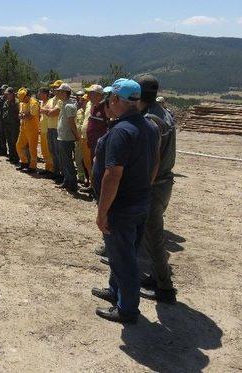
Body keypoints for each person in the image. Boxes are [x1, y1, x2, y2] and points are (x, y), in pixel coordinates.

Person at [91, 78, 160, 324]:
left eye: (111, 98)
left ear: (118, 100)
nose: (109, 102)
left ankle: (127, 309)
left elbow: (113, 175)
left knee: (125, 259)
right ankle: (115, 291)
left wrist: (102, 212)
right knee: (122, 253)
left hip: (121, 207)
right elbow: (155, 165)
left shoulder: (121, 131)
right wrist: (144, 189)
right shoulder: (150, 126)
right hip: (140, 201)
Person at [135, 74, 178, 304]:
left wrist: (142, 185)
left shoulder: (151, 120)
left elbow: (151, 160)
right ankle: (156, 276)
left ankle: (165, 288)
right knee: (152, 236)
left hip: (154, 185)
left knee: (154, 238)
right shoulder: (164, 114)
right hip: (164, 183)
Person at [54, 83, 80, 193]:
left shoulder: (69, 105)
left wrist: (77, 136)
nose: (57, 93)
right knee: (64, 161)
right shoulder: (64, 103)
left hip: (66, 138)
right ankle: (67, 181)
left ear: (65, 92)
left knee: (68, 161)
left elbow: (71, 123)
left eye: (59, 91)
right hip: (62, 136)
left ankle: (72, 184)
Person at [41, 80, 64, 183]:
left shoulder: (61, 100)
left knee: (58, 152)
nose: (54, 89)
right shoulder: (51, 100)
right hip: (50, 128)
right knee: (52, 151)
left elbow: (52, 113)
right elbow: (44, 110)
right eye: (53, 88)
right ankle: (55, 172)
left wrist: (47, 111)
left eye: (56, 88)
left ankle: (61, 174)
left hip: (57, 128)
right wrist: (48, 111)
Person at [16, 87, 40, 172]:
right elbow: (21, 114)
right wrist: (21, 115)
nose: (22, 101)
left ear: (27, 96)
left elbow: (31, 116)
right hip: (23, 128)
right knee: (18, 146)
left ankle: (32, 166)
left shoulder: (34, 103)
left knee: (32, 149)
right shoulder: (22, 103)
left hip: (33, 129)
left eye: (23, 99)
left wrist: (23, 116)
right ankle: (24, 162)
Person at [37, 87, 54, 176]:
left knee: (48, 150)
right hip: (43, 130)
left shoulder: (49, 102)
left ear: (45, 94)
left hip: (48, 130)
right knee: (44, 150)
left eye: (40, 93)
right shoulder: (42, 103)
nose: (38, 94)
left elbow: (50, 113)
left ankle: (51, 169)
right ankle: (47, 168)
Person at [0, 87, 20, 164]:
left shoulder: (17, 102)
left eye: (7, 94)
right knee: (9, 141)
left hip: (14, 125)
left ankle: (16, 157)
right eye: (6, 94)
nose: (6, 95)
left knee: (14, 141)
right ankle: (11, 156)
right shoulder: (6, 102)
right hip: (7, 125)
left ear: (12, 94)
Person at [75, 93, 90, 184]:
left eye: (84, 100)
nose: (82, 102)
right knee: (78, 159)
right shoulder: (79, 111)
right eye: (82, 100)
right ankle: (81, 177)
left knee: (87, 161)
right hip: (78, 139)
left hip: (86, 139)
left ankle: (88, 180)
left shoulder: (90, 111)